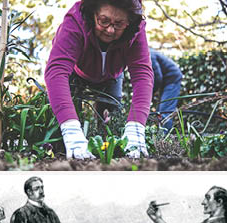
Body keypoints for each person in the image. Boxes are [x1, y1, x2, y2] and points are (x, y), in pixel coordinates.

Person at [44, 0, 154, 159]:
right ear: (93, 13)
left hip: (112, 76)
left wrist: (136, 129)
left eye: (119, 24)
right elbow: (57, 70)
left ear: (129, 22)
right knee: (68, 122)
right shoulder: (75, 20)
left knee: (111, 120)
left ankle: (108, 150)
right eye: (104, 21)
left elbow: (142, 74)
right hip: (77, 72)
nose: (110, 30)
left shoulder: (136, 28)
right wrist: (71, 130)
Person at [150, 48, 183, 133]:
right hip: (166, 80)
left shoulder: (149, 54)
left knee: (165, 110)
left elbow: (157, 78)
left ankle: (164, 139)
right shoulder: (147, 52)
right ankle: (157, 135)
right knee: (159, 111)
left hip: (172, 79)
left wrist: (149, 93)